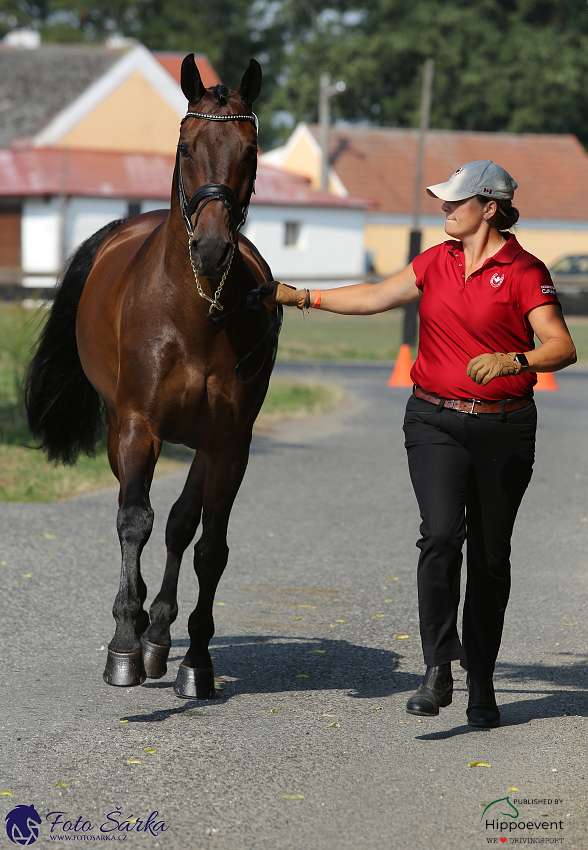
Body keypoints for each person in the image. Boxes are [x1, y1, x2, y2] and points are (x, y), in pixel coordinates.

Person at [260, 160, 577, 728]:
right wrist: (298, 296)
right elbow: (375, 297)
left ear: (489, 207)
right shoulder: (436, 260)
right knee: (438, 537)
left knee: (489, 558)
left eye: (455, 202)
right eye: (444, 201)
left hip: (504, 428)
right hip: (433, 419)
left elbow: (561, 345)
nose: (445, 209)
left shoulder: (525, 270)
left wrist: (515, 358)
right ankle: (438, 666)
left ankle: (482, 679)